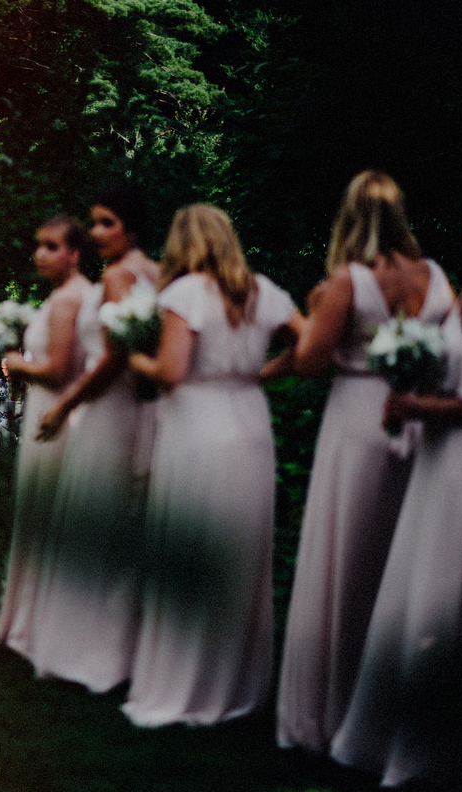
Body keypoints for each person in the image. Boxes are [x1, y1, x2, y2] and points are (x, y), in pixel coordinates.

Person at [330, 183, 462, 792]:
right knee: (420, 589)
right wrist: (415, 390)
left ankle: (450, 755)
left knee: (458, 598)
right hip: (442, 454)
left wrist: (432, 408)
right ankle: (397, 740)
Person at [276, 172, 456, 753]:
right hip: (421, 423)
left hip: (358, 423)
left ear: (349, 216)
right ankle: (396, 716)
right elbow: (451, 353)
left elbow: (309, 363)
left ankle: (331, 716)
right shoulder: (434, 277)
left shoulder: (350, 281)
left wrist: (314, 309)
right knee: (401, 567)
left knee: (346, 565)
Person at [121, 204, 303, 726]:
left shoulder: (183, 294)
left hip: (197, 427)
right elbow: (311, 343)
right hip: (250, 422)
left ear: (183, 243)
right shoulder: (263, 291)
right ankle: (241, 684)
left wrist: (132, 355)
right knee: (243, 553)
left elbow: (171, 373)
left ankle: (188, 685)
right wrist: (261, 372)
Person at [26, 183, 160, 692]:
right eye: (94, 223)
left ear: (131, 226)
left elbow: (111, 358)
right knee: (130, 525)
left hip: (109, 412)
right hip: (144, 411)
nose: (97, 232)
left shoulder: (122, 274)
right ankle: (133, 649)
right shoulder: (157, 272)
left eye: (107, 222)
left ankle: (96, 653)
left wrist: (65, 404)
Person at [0, 215, 93, 659]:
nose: (40, 254)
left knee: (43, 511)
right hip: (52, 408)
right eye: (39, 245)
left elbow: (59, 368)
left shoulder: (71, 298)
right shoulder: (71, 296)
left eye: (52, 246)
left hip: (53, 409)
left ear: (75, 253)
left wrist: (17, 362)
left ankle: (41, 624)